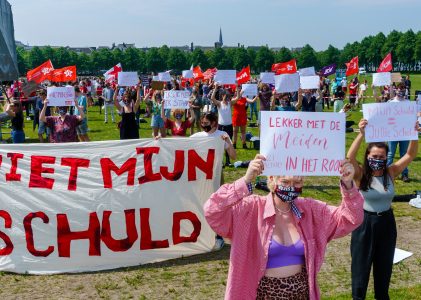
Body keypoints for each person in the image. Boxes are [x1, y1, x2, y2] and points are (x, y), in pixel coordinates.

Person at [204, 154, 363, 299]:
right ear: (272, 178)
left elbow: (350, 219)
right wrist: (245, 180)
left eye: (297, 182)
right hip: (261, 294)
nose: (291, 187)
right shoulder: (250, 209)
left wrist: (348, 184)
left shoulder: (310, 210)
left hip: (301, 294)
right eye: (285, 182)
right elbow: (212, 211)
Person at [347, 119, 420, 300]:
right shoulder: (360, 174)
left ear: (386, 157)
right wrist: (361, 134)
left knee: (384, 268)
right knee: (360, 269)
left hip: (386, 222)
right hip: (364, 223)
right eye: (374, 156)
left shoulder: (391, 172)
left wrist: (414, 134)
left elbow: (410, 154)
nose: (377, 160)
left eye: (381, 157)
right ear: (368, 156)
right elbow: (350, 157)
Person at [192, 112, 236, 250]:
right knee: (201, 202)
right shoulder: (197, 136)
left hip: (216, 175)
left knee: (217, 206)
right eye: (202, 123)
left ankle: (218, 236)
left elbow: (233, 157)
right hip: (200, 175)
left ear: (214, 123)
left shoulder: (222, 135)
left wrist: (228, 142)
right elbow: (178, 145)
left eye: (206, 123)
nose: (204, 125)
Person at [387, 83, 411, 182]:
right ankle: (387, 174)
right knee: (390, 154)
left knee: (404, 154)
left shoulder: (409, 103)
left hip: (405, 133)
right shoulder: (390, 102)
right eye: (399, 88)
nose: (401, 90)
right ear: (396, 90)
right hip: (392, 132)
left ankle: (404, 174)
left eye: (403, 89)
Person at [211, 84, 234, 166]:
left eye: (228, 96)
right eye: (225, 96)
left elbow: (238, 98)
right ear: (222, 96)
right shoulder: (219, 104)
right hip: (221, 126)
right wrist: (216, 88)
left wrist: (238, 88)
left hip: (229, 126)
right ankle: (220, 161)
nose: (227, 98)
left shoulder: (230, 103)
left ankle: (228, 161)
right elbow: (212, 98)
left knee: (229, 143)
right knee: (220, 144)